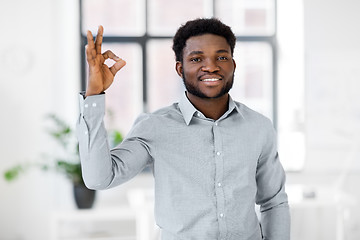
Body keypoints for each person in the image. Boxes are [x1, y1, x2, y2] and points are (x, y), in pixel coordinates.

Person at [77, 18, 290, 240]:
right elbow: (99, 179)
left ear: (233, 65)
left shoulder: (259, 127)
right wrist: (94, 95)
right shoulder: (155, 127)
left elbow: (274, 202)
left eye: (222, 57)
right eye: (197, 58)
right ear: (180, 68)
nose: (211, 66)